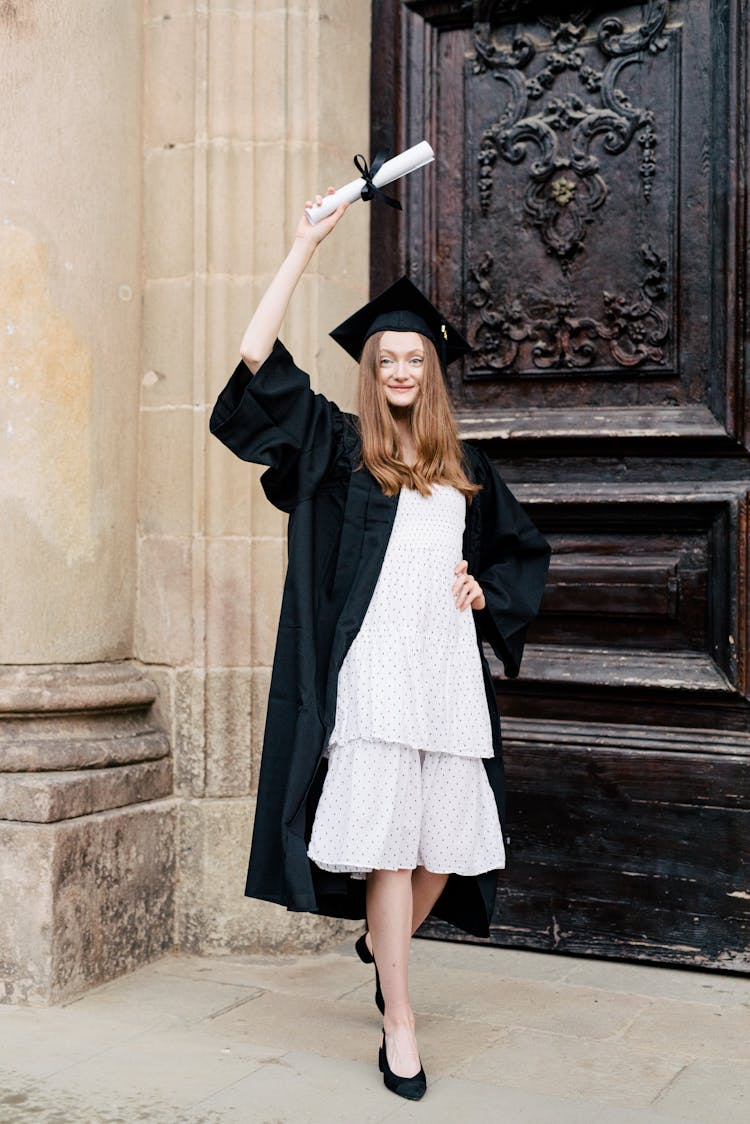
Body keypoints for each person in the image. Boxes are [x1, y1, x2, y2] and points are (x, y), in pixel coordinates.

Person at [209, 188, 551, 1101]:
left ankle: (378, 939)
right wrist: (302, 247)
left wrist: (483, 591)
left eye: (415, 358)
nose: (402, 368)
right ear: (372, 368)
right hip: (374, 676)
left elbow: (513, 556)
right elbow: (254, 361)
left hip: (444, 677)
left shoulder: (465, 470)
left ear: (433, 372)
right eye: (387, 357)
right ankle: (400, 1023)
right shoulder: (339, 444)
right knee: (393, 854)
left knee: (452, 842)